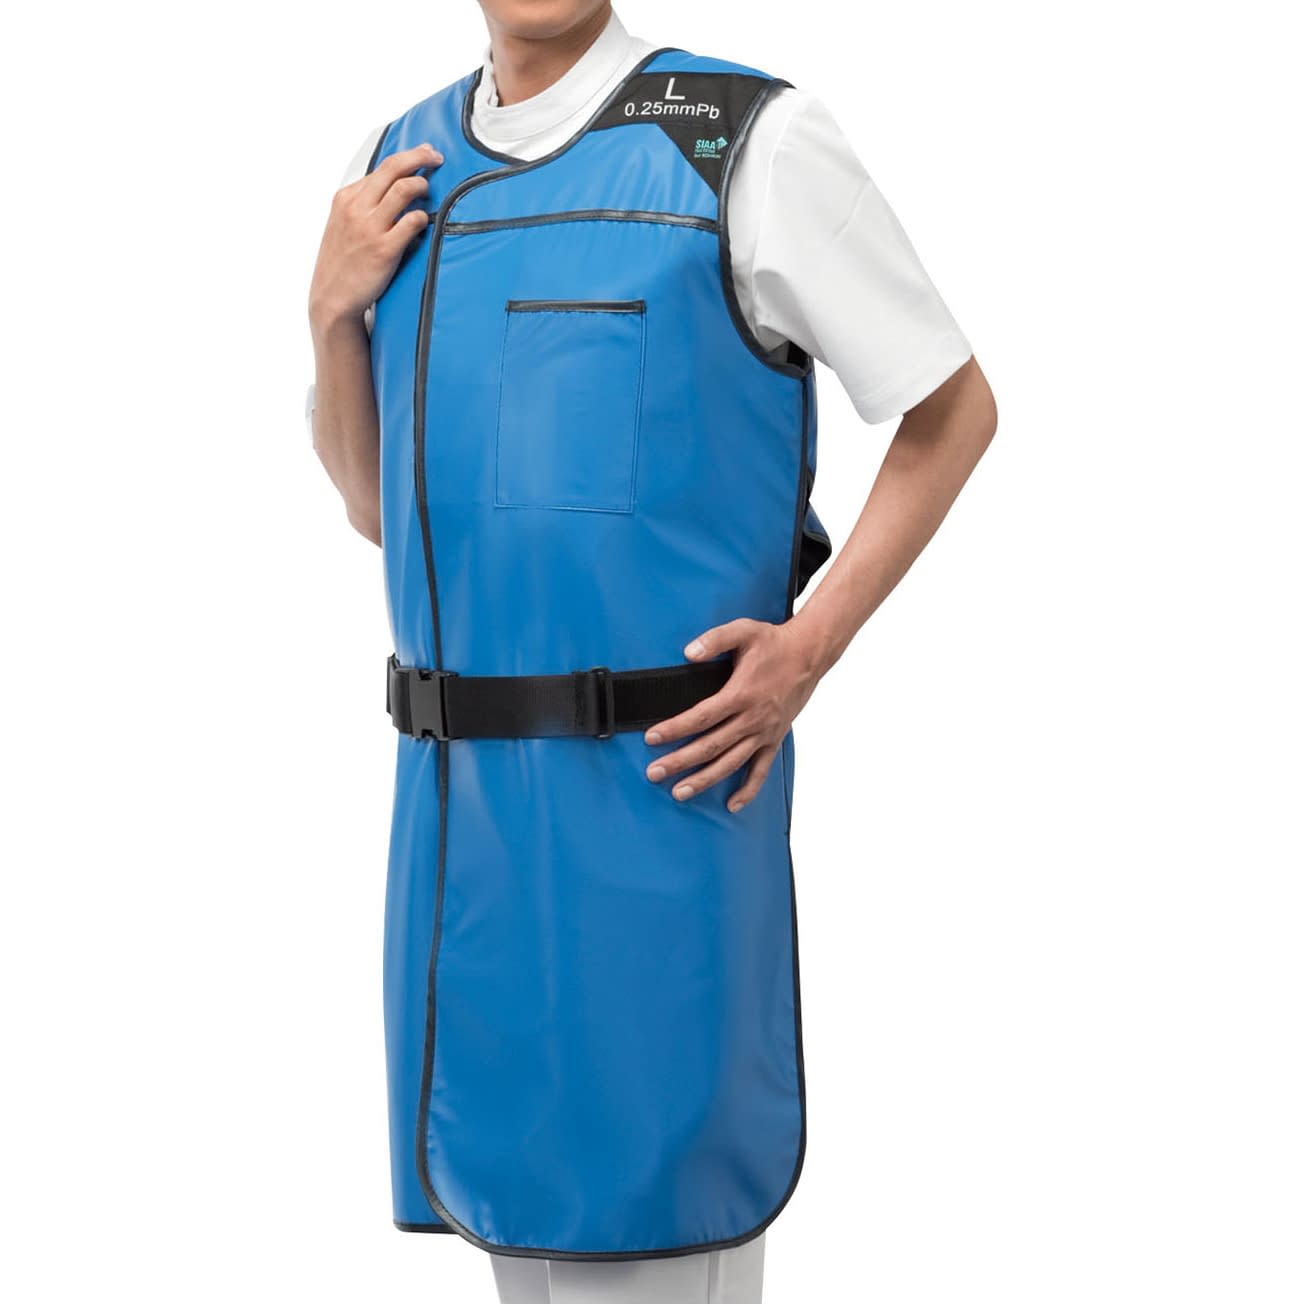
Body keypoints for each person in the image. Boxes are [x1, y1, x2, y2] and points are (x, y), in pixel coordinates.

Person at [306, 3, 997, 1301]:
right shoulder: (395, 167)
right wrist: (330, 314)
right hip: (462, 829)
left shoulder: (743, 143)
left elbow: (951, 406)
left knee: (652, 1235)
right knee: (519, 1239)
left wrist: (808, 648)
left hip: (655, 809)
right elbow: (374, 505)